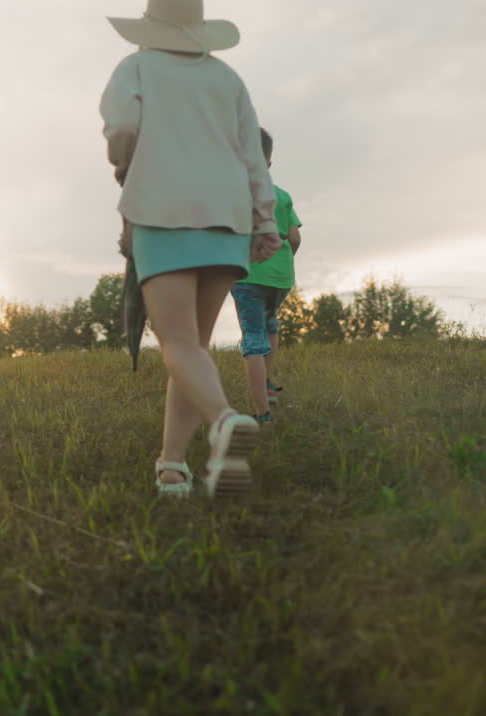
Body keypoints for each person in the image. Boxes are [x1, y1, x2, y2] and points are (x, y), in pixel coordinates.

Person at [101, 0, 282, 498]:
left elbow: (120, 128)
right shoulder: (229, 80)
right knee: (192, 349)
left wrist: (125, 165)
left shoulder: (135, 66)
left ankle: (225, 423)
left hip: (163, 210)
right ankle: (173, 466)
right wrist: (264, 220)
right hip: (227, 220)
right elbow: (253, 157)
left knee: (177, 344)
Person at [230, 128, 304, 422]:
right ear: (268, 165)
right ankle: (268, 384)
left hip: (247, 276)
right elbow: (294, 238)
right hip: (281, 277)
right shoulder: (283, 196)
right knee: (271, 325)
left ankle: (262, 414)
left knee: (253, 339)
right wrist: (283, 263)